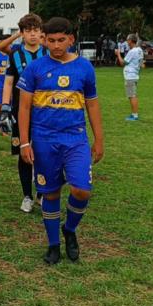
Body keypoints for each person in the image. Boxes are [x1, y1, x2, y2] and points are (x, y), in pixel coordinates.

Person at [17, 17, 104, 264]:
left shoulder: (84, 68)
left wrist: (99, 139)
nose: (56, 45)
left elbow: (92, 105)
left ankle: (70, 229)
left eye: (61, 40)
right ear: (44, 40)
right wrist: (24, 142)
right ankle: (53, 244)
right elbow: (24, 108)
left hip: (75, 138)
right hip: (44, 139)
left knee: (82, 190)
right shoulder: (34, 68)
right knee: (51, 193)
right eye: (51, 40)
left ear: (71, 40)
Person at [0, 14, 45, 213]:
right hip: (21, 111)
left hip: (45, 112)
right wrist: (5, 107)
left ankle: (42, 192)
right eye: (28, 31)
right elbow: (9, 82)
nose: (32, 34)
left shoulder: (48, 52)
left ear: (41, 32)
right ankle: (27, 195)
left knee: (44, 152)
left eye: (36, 30)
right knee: (24, 152)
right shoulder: (15, 54)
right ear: (22, 34)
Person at [116, 34, 144, 121]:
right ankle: (134, 114)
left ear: (130, 41)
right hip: (135, 74)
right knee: (132, 95)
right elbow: (141, 63)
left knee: (132, 96)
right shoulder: (139, 50)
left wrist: (118, 54)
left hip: (130, 76)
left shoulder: (132, 51)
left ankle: (134, 115)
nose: (127, 42)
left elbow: (122, 62)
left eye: (127, 40)